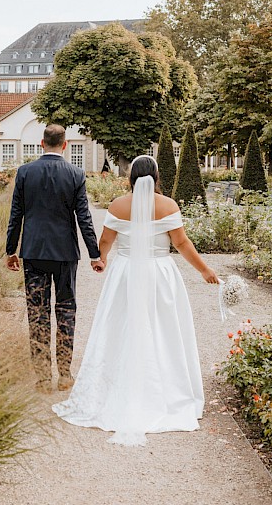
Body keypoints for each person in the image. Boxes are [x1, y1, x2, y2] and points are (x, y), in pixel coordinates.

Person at [52, 154, 219, 446]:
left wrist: (100, 260)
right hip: (160, 274)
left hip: (125, 274)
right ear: (156, 177)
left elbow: (106, 240)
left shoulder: (118, 205)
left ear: (130, 179)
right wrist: (204, 270)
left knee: (120, 328)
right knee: (164, 330)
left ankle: (116, 391)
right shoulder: (168, 205)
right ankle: (167, 392)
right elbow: (181, 243)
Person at [6, 124, 104, 393]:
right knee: (66, 311)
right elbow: (84, 217)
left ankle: (41, 379)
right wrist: (94, 254)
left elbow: (17, 215)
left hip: (34, 252)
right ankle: (64, 374)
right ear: (65, 144)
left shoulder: (25, 172)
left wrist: (10, 250)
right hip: (64, 254)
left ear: (41, 143)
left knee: (37, 313)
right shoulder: (75, 173)